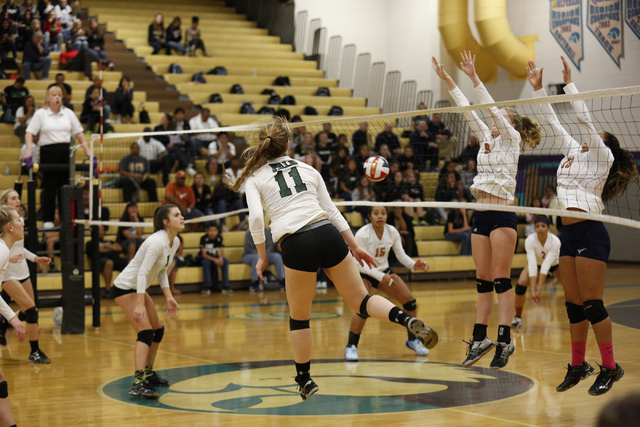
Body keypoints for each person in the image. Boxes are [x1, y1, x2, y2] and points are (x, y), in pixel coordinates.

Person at [233, 118, 438, 400]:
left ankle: (304, 379)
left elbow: (256, 217)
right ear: (289, 145)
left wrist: (261, 256)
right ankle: (404, 318)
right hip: (328, 233)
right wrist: (354, 246)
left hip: (296, 242)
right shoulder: (308, 168)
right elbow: (331, 211)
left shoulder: (255, 178)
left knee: (300, 318)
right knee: (361, 301)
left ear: (262, 147)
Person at [528, 57, 637, 395]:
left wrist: (569, 83)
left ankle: (610, 367)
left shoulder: (601, 157)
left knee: (592, 305)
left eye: (596, 136)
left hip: (591, 231)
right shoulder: (573, 152)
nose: (588, 136)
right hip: (569, 233)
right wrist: (536, 90)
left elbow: (585, 120)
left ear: (605, 145)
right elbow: (552, 120)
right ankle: (578, 365)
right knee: (574, 307)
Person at [432, 52, 541, 369]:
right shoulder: (486, 142)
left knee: (501, 280)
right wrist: (450, 79)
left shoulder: (513, 139)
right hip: (481, 215)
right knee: (481, 281)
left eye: (502, 117)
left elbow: (489, 107)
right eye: (496, 119)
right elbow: (469, 110)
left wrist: (476, 77)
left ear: (511, 125)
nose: (495, 120)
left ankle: (505, 341)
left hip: (503, 217)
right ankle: (480, 337)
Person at [112, 204, 182, 399]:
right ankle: (138, 383)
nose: (182, 217)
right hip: (125, 287)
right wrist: (141, 303)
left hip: (138, 288)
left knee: (157, 331)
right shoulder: (156, 242)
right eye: (177, 215)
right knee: (145, 332)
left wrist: (168, 297)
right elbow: (142, 272)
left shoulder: (173, 241)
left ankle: (149, 374)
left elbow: (161, 271)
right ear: (166, 222)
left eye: (181, 214)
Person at [344, 205, 431, 361]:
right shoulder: (363, 234)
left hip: (384, 272)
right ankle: (351, 346)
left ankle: (412, 339)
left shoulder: (392, 231)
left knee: (410, 302)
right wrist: (379, 275)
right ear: (369, 216)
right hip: (364, 273)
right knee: (362, 308)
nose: (380, 216)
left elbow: (401, 255)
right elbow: (357, 264)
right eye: (376, 213)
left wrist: (413, 265)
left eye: (383, 213)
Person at [23, 85, 91, 227]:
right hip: (48, 152)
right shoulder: (41, 113)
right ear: (47, 98)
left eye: (59, 95)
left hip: (66, 152)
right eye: (54, 95)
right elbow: (29, 133)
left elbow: (79, 132)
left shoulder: (68, 114)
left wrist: (87, 150)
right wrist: (29, 150)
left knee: (64, 187)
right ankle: (48, 219)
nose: (57, 97)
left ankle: (64, 219)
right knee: (49, 186)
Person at [0, 190, 51, 362]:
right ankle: (34, 352)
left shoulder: (18, 221)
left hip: (23, 271)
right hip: (8, 273)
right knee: (31, 309)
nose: (18, 200)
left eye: (18, 198)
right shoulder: (5, 227)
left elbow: (20, 249)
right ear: (4, 202)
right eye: (13, 198)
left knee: (30, 310)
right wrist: (7, 258)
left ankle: (3, 322)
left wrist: (35, 258)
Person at [0, 205, 28, 426]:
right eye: (19, 219)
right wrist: (12, 317)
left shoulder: (4, 251)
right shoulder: (1, 251)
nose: (23, 222)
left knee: (0, 381)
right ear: (10, 227)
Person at [512, 215, 560, 329]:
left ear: (548, 228)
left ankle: (581, 315)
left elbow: (546, 265)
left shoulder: (555, 241)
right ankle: (518, 318)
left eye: (543, 226)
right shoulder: (530, 240)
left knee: (570, 287)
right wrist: (533, 291)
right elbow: (532, 265)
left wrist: (538, 290)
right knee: (521, 285)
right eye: (537, 226)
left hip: (555, 264)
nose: (540, 228)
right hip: (537, 265)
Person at [85, 225, 128, 299]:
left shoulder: (108, 241)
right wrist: (112, 247)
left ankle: (129, 288)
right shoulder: (90, 243)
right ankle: (108, 290)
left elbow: (119, 248)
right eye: (99, 230)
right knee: (109, 262)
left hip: (114, 260)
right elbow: (99, 250)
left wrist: (106, 246)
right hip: (100, 262)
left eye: (102, 230)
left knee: (131, 262)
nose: (101, 232)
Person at [242, 228, 284, 292]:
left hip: (264, 255)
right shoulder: (249, 232)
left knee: (277, 257)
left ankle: (282, 282)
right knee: (256, 258)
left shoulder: (266, 231)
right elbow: (248, 248)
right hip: (249, 255)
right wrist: (261, 257)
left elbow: (269, 246)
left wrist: (263, 257)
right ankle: (254, 284)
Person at [197, 224, 230, 294]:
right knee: (205, 262)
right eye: (211, 230)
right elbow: (204, 255)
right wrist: (215, 260)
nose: (213, 232)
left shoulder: (219, 238)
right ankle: (207, 286)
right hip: (206, 257)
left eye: (215, 230)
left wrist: (220, 258)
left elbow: (222, 252)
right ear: (207, 231)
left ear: (217, 231)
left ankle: (225, 286)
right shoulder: (203, 238)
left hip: (215, 256)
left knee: (225, 261)